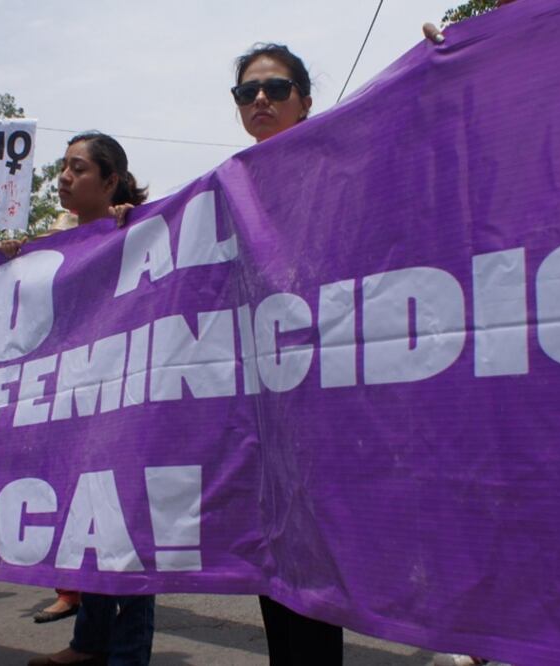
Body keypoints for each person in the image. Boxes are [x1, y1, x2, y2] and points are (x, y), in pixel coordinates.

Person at [231, 42, 348, 665]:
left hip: (334, 402)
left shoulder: (343, 165)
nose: (260, 100)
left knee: (315, 569)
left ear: (305, 101)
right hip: (263, 417)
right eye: (248, 91)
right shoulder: (225, 189)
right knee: (276, 564)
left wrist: (453, 62)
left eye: (277, 89)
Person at [24, 132, 151, 666]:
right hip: (72, 406)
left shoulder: (143, 233)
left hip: (127, 404)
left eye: (78, 168)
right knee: (88, 525)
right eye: (63, 167)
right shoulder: (51, 245)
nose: (64, 177)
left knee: (128, 531)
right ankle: (89, 642)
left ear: (111, 180)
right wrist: (15, 261)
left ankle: (126, 653)